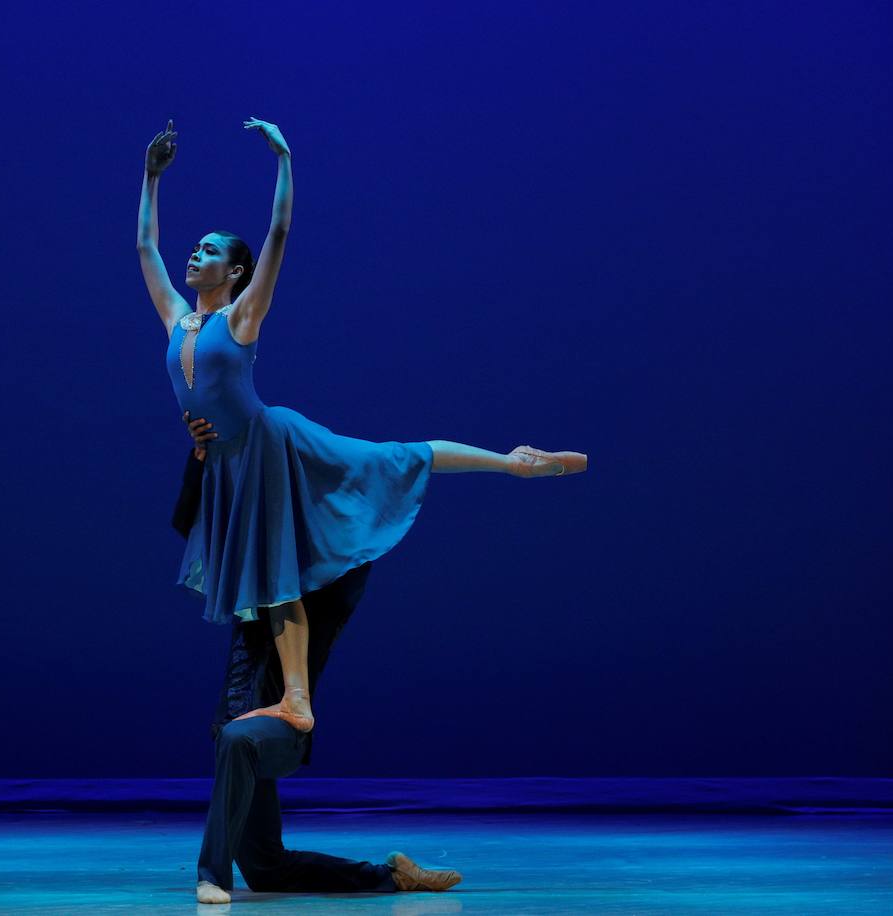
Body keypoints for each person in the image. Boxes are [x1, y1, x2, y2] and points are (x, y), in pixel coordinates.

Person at [138, 118, 588, 902]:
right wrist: (151, 179)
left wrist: (284, 158)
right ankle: (358, 861)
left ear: (236, 273)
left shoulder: (240, 320)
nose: (195, 256)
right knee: (258, 831)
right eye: (198, 248)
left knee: (387, 459)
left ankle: (509, 462)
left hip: (279, 466)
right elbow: (144, 250)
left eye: (211, 251)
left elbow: (279, 230)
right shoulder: (179, 318)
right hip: (237, 489)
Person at [174, 416, 463, 904]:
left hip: (281, 727)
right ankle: (393, 876)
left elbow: (416, 454)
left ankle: (211, 875)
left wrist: (509, 465)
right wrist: (201, 461)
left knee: (238, 737)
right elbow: (193, 524)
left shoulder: (332, 575)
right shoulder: (257, 556)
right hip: (236, 732)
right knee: (268, 870)